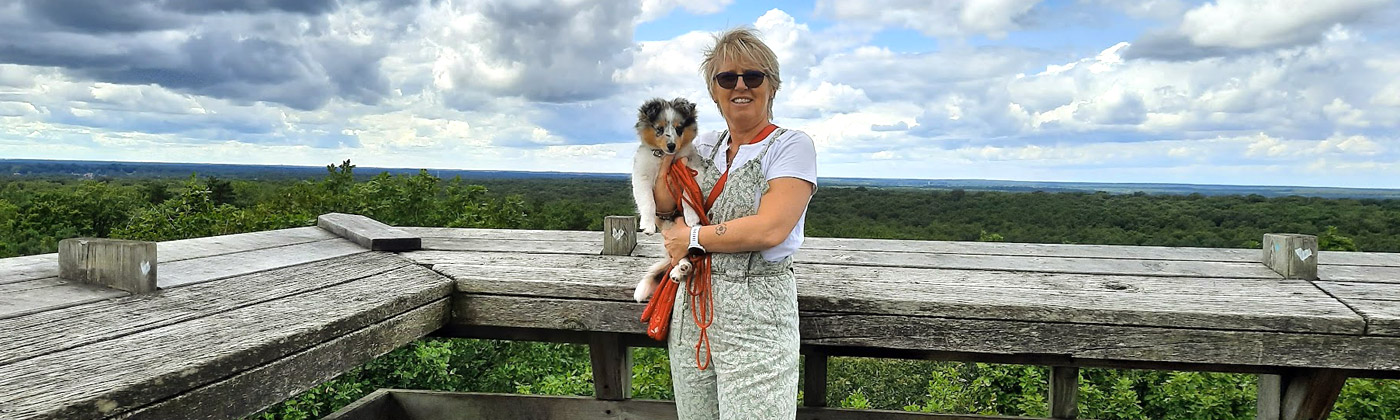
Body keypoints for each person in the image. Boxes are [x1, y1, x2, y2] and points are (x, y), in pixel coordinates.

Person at [652, 27, 818, 420]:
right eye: (727, 78)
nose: (740, 86)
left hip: (758, 314)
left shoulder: (791, 145)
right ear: (714, 91)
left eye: (753, 76)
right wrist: (665, 159)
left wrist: (691, 237)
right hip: (693, 310)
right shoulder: (702, 145)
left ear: (772, 86)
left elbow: (769, 229)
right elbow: (666, 208)